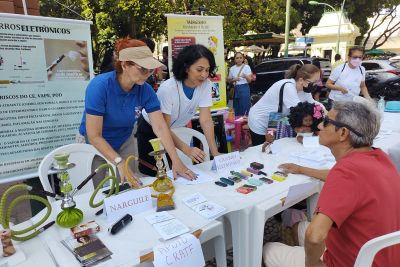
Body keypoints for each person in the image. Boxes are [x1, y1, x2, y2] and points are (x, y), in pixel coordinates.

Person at [263, 101, 400, 267]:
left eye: (326, 122)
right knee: (298, 226)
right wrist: (301, 169)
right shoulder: (379, 158)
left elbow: (315, 236)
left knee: (268, 249)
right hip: (383, 255)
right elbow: (346, 179)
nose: (319, 125)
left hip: (353, 262)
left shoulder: (345, 172)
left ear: (342, 133)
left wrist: (312, 264)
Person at [78, 38, 196, 184]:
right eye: (142, 68)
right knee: (94, 188)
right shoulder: (100, 86)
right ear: (125, 65)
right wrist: (118, 161)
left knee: (128, 184)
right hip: (93, 143)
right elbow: (94, 135)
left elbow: (160, 127)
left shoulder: (145, 90)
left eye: (150, 69)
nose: (147, 73)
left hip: (123, 139)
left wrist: (176, 160)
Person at [137, 44, 221, 176]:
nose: (204, 75)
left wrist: (214, 152)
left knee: (178, 170)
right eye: (199, 69)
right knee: (156, 172)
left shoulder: (206, 85)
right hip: (151, 128)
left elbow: (205, 120)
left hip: (172, 129)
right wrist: (186, 149)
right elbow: (163, 126)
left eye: (207, 70)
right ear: (186, 67)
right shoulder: (168, 89)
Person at [248, 64, 321, 146]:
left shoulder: (304, 90)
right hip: (260, 120)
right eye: (313, 82)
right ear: (301, 80)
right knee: (261, 148)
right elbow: (299, 113)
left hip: (275, 119)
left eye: (317, 81)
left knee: (277, 146)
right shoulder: (288, 87)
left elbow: (314, 106)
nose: (316, 85)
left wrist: (325, 114)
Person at [227, 52, 252, 116]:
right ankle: (238, 123)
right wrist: (234, 80)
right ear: (234, 59)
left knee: (245, 106)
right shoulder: (232, 68)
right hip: (236, 89)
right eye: (237, 58)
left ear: (243, 59)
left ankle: (245, 122)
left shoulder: (247, 67)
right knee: (236, 107)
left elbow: (250, 81)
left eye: (240, 58)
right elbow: (229, 81)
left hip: (245, 88)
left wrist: (245, 76)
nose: (239, 59)